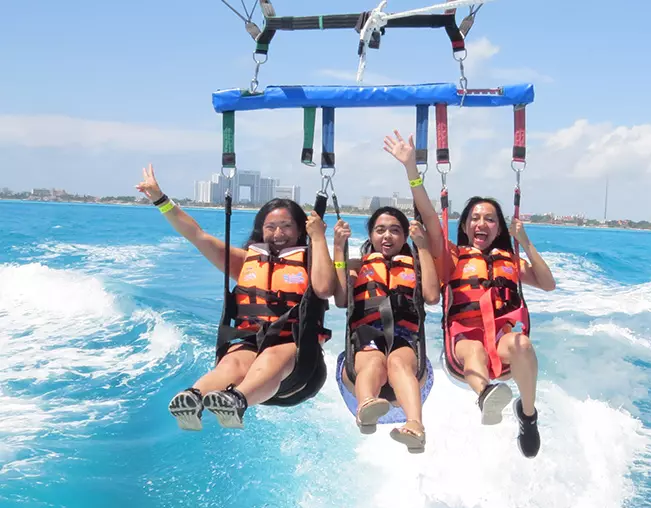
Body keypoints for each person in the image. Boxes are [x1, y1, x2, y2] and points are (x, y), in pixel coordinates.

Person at [383, 131, 556, 458]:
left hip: (502, 344)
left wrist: (525, 242)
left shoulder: (509, 260)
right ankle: (485, 394)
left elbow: (548, 284)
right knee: (474, 349)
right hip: (463, 346)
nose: (481, 223)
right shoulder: (452, 257)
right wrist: (410, 169)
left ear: (499, 228)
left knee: (522, 344)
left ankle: (528, 414)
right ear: (464, 227)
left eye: (490, 219)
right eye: (475, 218)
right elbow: (430, 217)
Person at [135, 164, 337, 430]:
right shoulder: (245, 262)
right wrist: (160, 200)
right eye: (271, 227)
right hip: (252, 343)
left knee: (271, 356)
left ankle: (237, 400)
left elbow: (324, 288)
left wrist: (319, 238)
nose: (278, 234)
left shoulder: (311, 261)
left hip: (300, 362)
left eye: (286, 226)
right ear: (261, 230)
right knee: (232, 362)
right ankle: (194, 397)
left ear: (300, 230)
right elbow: (197, 236)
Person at [332, 206, 440, 453]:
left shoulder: (416, 266)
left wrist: (423, 247)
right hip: (367, 335)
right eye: (380, 230)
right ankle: (366, 406)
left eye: (395, 230)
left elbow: (433, 296)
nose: (387, 236)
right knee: (373, 362)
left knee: (398, 363)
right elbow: (340, 299)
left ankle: (415, 426)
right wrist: (338, 248)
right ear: (371, 235)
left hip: (404, 336)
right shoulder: (356, 266)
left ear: (405, 237)